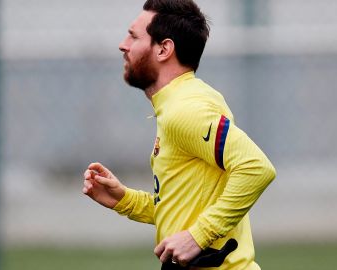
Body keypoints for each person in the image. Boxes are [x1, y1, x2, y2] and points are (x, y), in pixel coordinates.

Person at [82, 0, 276, 269]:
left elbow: (256, 168)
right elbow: (188, 207)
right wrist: (124, 200)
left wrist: (200, 235)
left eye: (134, 36)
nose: (123, 44)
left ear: (164, 49)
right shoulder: (181, 102)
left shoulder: (185, 110)